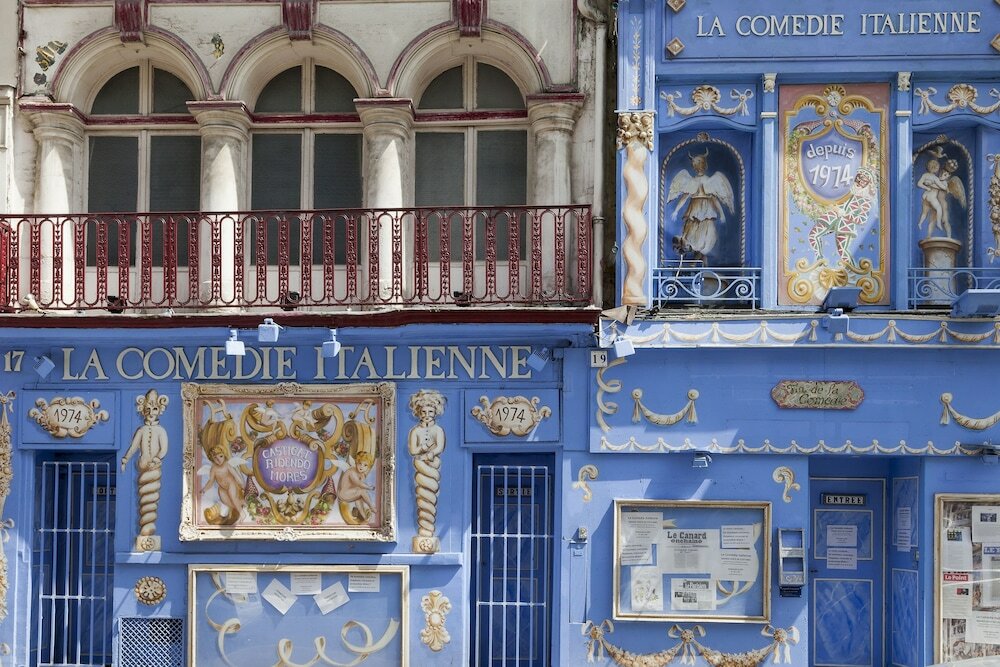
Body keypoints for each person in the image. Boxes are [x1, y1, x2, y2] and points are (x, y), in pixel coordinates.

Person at [666, 149, 735, 263]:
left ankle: (699, 263)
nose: (698, 168)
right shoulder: (691, 181)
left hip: (707, 212)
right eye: (695, 165)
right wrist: (676, 211)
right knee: (692, 236)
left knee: (705, 238)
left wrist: (722, 214)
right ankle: (697, 262)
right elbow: (684, 198)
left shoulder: (710, 181)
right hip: (694, 211)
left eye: (699, 164)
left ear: (704, 165)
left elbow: (714, 200)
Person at [203, 446, 245, 520]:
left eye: (221, 456)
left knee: (233, 498)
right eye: (215, 458)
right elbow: (211, 481)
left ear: (224, 455)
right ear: (212, 459)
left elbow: (235, 475)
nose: (219, 460)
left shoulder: (227, 465)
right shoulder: (213, 469)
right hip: (222, 488)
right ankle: (240, 504)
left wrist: (241, 484)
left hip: (231, 484)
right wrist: (204, 489)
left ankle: (243, 514)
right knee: (226, 502)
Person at [337, 451, 375, 521]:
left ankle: (364, 517)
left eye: (365, 465)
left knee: (360, 497)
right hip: (343, 493)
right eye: (360, 463)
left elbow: (359, 486)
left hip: (350, 493)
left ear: (368, 467)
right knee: (361, 491)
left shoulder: (362, 474)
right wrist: (369, 487)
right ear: (356, 462)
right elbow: (358, 483)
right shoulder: (352, 471)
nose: (361, 466)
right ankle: (371, 507)